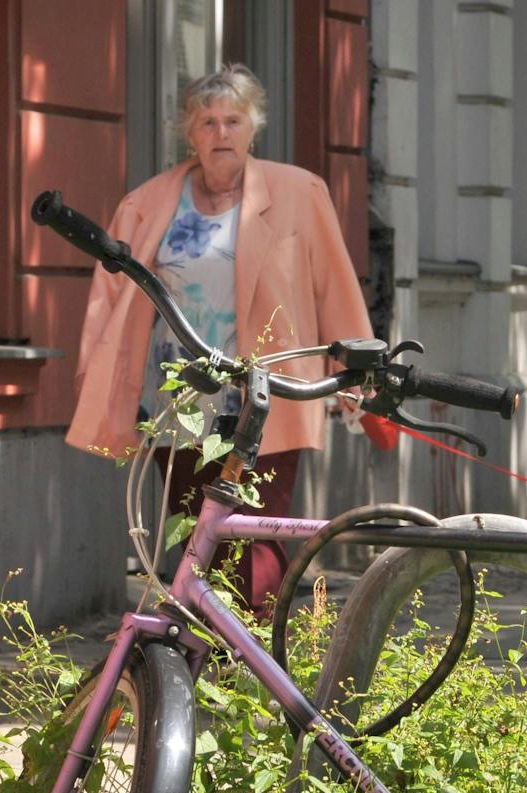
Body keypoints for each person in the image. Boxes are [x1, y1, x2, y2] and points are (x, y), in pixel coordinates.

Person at [68, 64, 391, 613]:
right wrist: (96, 380)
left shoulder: (299, 192)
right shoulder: (147, 204)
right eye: (208, 122)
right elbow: (110, 304)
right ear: (188, 133)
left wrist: (358, 374)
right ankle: (207, 651)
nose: (221, 133)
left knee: (256, 541)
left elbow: (334, 287)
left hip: (268, 398)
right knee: (196, 539)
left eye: (233, 121)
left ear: (253, 127)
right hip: (180, 403)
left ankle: (254, 648)